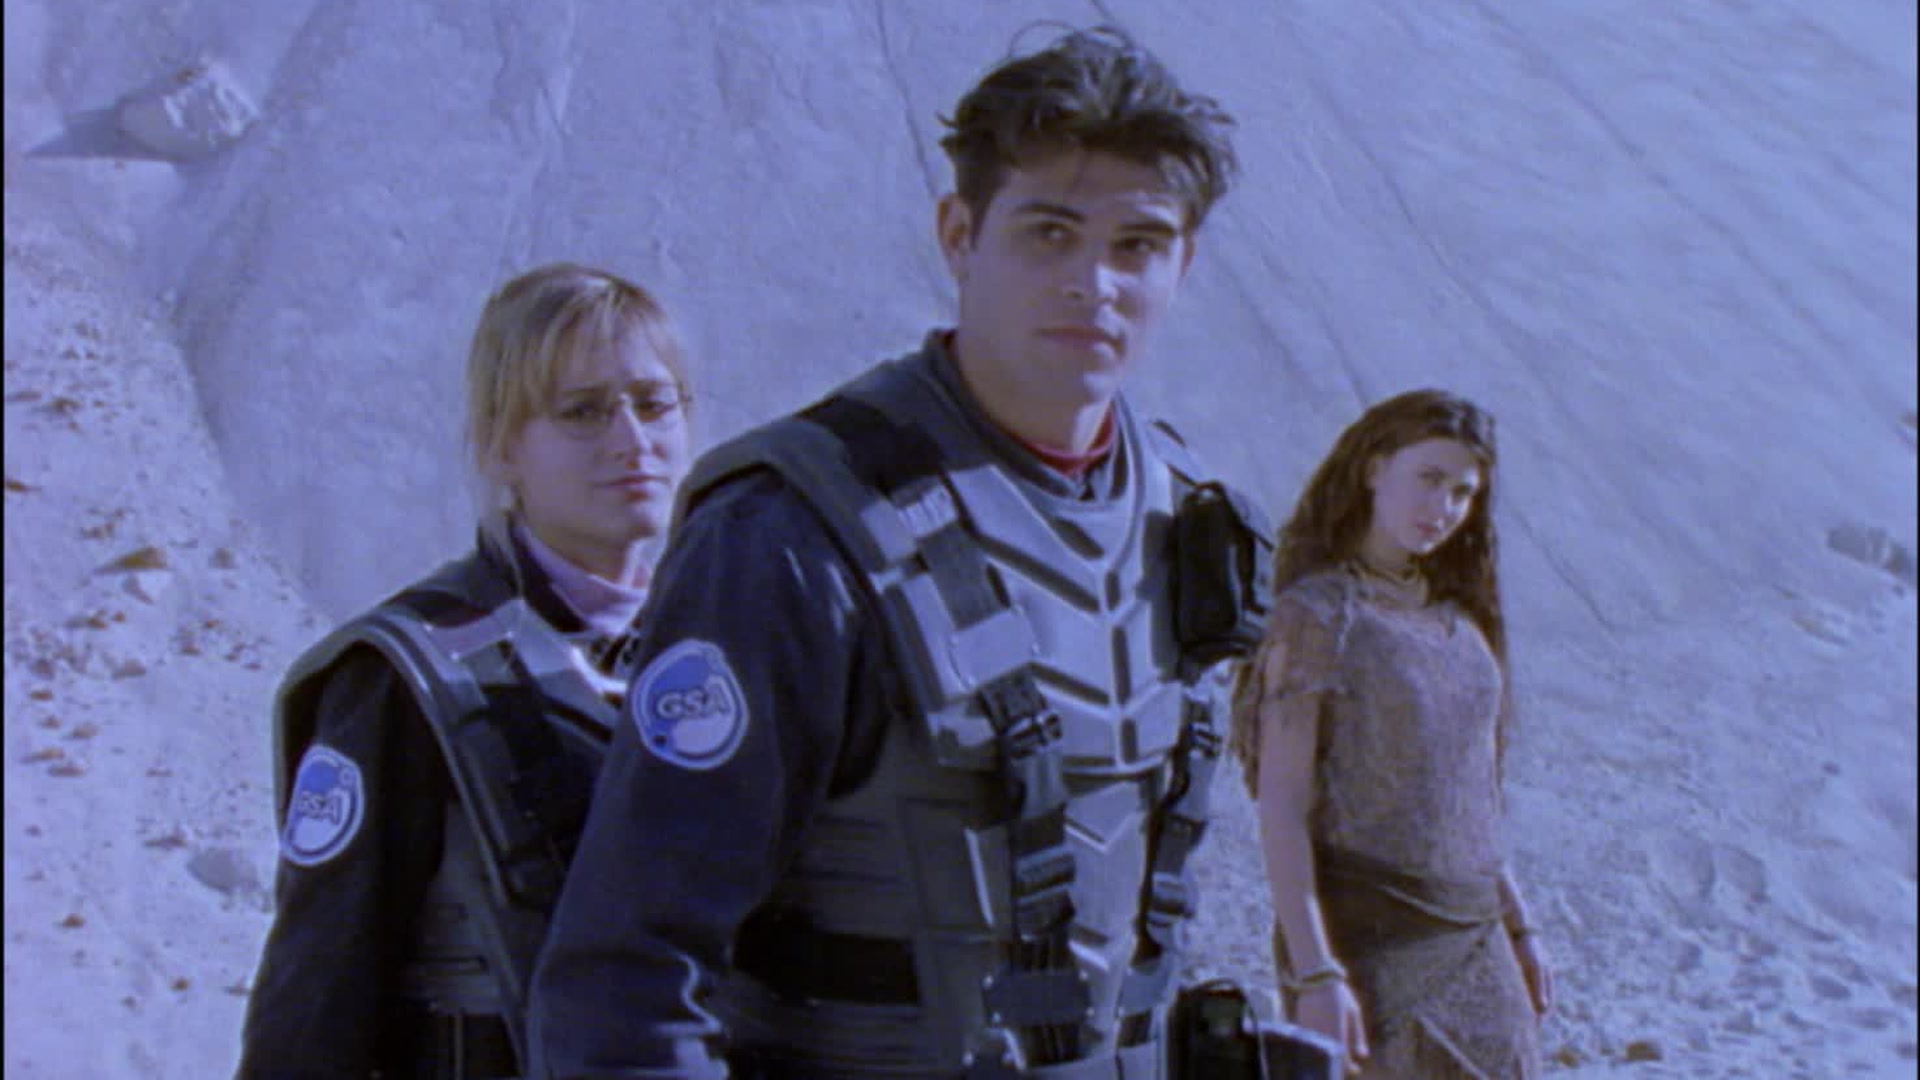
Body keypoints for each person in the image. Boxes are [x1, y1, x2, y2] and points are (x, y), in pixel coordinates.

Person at [527, 26, 1271, 1080]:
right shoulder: (793, 535)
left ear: (1183, 263)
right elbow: (628, 970)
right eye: (1050, 233)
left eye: (1138, 244)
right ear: (959, 235)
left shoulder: (1189, 523)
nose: (1094, 283)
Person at [235, 262, 696, 1079]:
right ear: (502, 444)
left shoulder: (725, 649)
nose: (632, 441)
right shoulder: (408, 685)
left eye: (654, 403)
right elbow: (309, 1018)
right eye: (584, 411)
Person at [1229, 389, 1554, 1078]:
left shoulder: (1461, 620)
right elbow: (1282, 806)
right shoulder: (1316, 616)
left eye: (1462, 492)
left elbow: (1470, 793)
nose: (1443, 507)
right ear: (1375, 469)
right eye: (1429, 478)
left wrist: (1520, 926)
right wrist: (1316, 972)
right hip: (1369, 940)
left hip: (1478, 934)